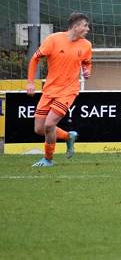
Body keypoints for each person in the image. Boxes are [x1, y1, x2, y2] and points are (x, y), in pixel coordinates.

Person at [26, 12, 92, 167]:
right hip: (49, 90)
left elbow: (87, 63)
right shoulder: (53, 40)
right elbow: (35, 58)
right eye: (85, 25)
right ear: (75, 26)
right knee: (39, 128)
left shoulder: (86, 45)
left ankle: (48, 159)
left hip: (68, 91)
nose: (88, 29)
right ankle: (68, 136)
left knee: (49, 125)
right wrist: (30, 82)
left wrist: (87, 71)